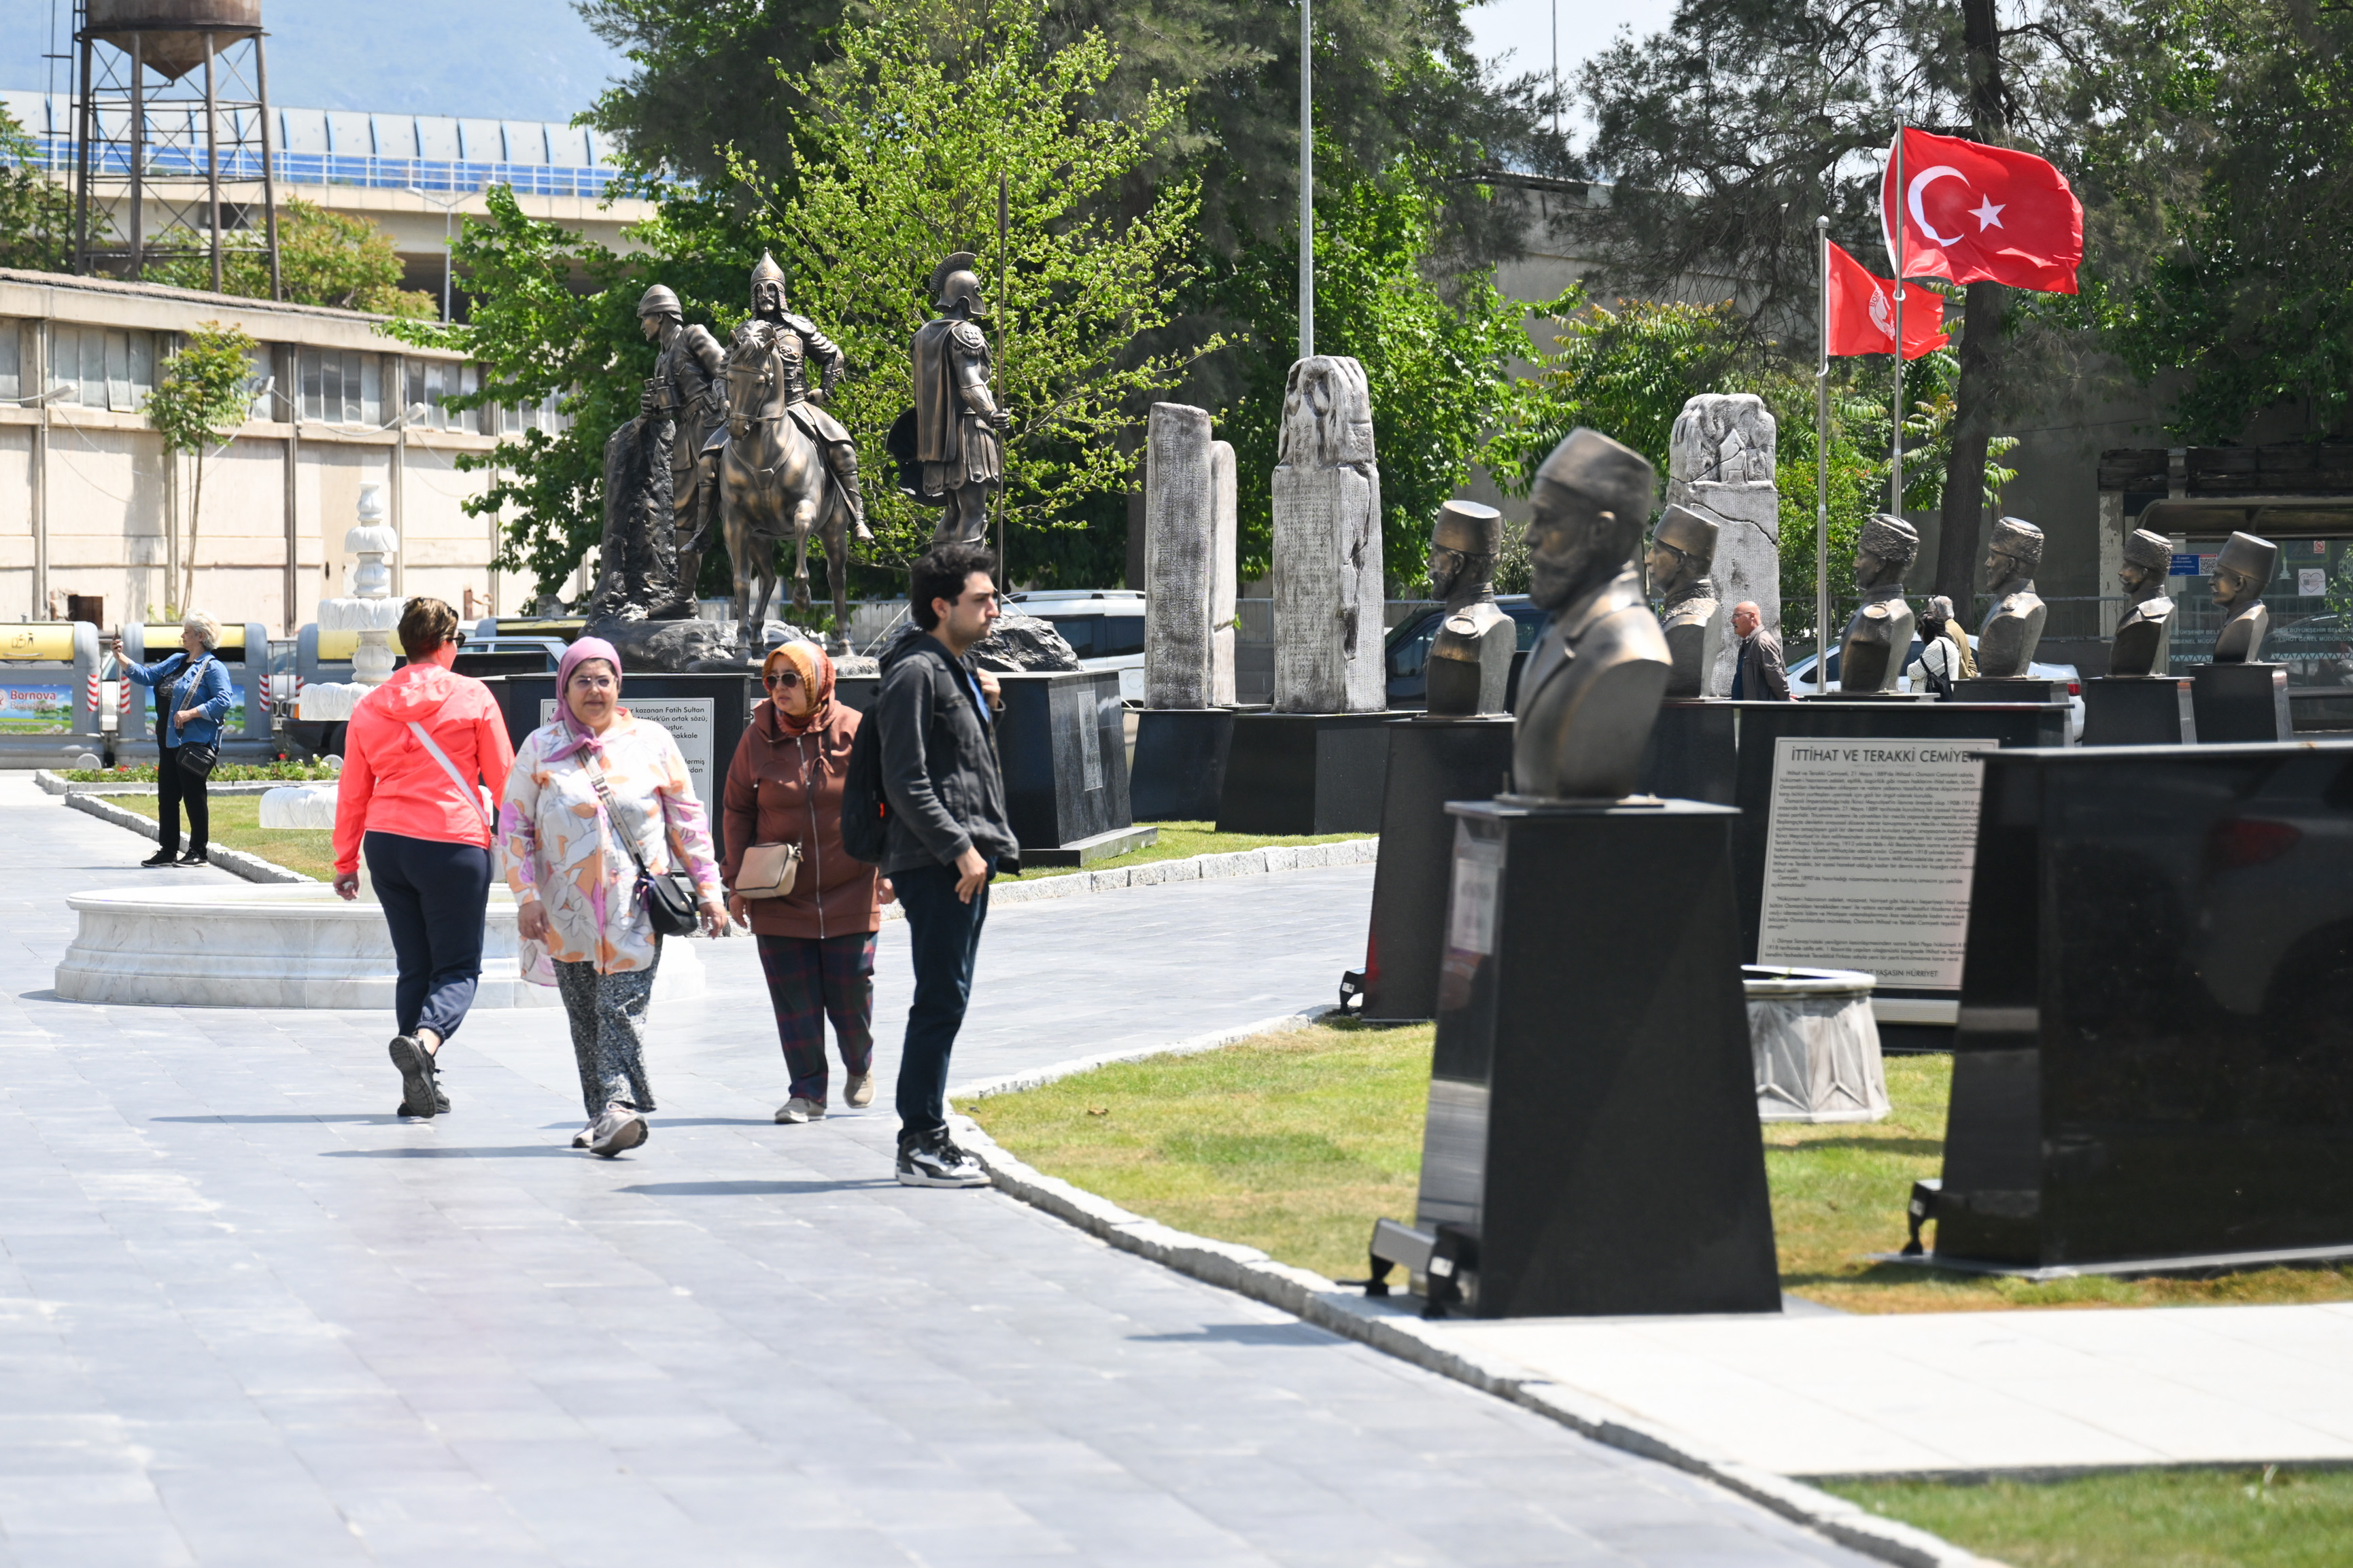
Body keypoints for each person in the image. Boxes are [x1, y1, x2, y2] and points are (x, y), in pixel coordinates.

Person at [500, 638, 729, 1156]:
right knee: (585, 1017)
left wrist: (709, 890)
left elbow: (688, 822)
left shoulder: (652, 742)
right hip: (565, 914)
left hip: (635, 910)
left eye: (603, 680)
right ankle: (601, 1115)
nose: (594, 690)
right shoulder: (540, 747)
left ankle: (620, 1107)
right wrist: (526, 895)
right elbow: (513, 827)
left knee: (619, 1008)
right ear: (564, 688)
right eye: (582, 680)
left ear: (618, 685)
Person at [330, 597, 515, 1118]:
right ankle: (426, 1042)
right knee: (457, 967)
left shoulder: (370, 706)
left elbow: (353, 791)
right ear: (446, 644)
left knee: (414, 966)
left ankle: (419, 1084)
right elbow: (505, 779)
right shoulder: (472, 696)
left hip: (388, 844)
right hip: (452, 842)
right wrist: (531, 844)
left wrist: (345, 860)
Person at [875, 540, 1020, 1187]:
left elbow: (959, 764)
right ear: (941, 606)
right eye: (981, 599)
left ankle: (925, 1136)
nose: (994, 609)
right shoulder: (914, 671)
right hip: (939, 862)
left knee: (948, 996)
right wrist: (957, 847)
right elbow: (904, 777)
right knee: (939, 998)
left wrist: (990, 703)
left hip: (963, 858)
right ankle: (921, 1141)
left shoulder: (955, 668)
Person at [723, 640, 887, 1124]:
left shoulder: (856, 729)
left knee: (850, 989)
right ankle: (807, 1093)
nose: (778, 688)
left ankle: (859, 1062)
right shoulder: (755, 739)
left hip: (850, 885)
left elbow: (888, 800)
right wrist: (735, 882)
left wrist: (889, 866)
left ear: (817, 681)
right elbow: (737, 810)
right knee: (795, 1001)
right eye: (771, 680)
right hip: (778, 892)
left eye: (790, 678)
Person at [116, 613, 233, 867]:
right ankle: (168, 850)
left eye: (187, 632)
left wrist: (192, 713)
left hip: (194, 742)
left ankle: (198, 852)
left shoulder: (213, 667)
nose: (182, 636)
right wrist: (120, 656)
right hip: (168, 740)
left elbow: (224, 700)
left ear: (201, 636)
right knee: (168, 798)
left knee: (194, 796)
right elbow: (147, 676)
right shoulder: (176, 661)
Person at [1729, 601, 1790, 700]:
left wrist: (1786, 700)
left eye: (1737, 616)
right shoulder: (1750, 643)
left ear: (1752, 616)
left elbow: (1776, 679)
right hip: (1747, 708)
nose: (1732, 621)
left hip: (1760, 709)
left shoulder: (1762, 643)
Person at [1914, 606, 1960, 698]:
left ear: (1928, 630)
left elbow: (1913, 671)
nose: (1921, 636)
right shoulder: (1947, 642)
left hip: (1935, 701)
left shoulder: (1937, 645)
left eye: (1921, 631)